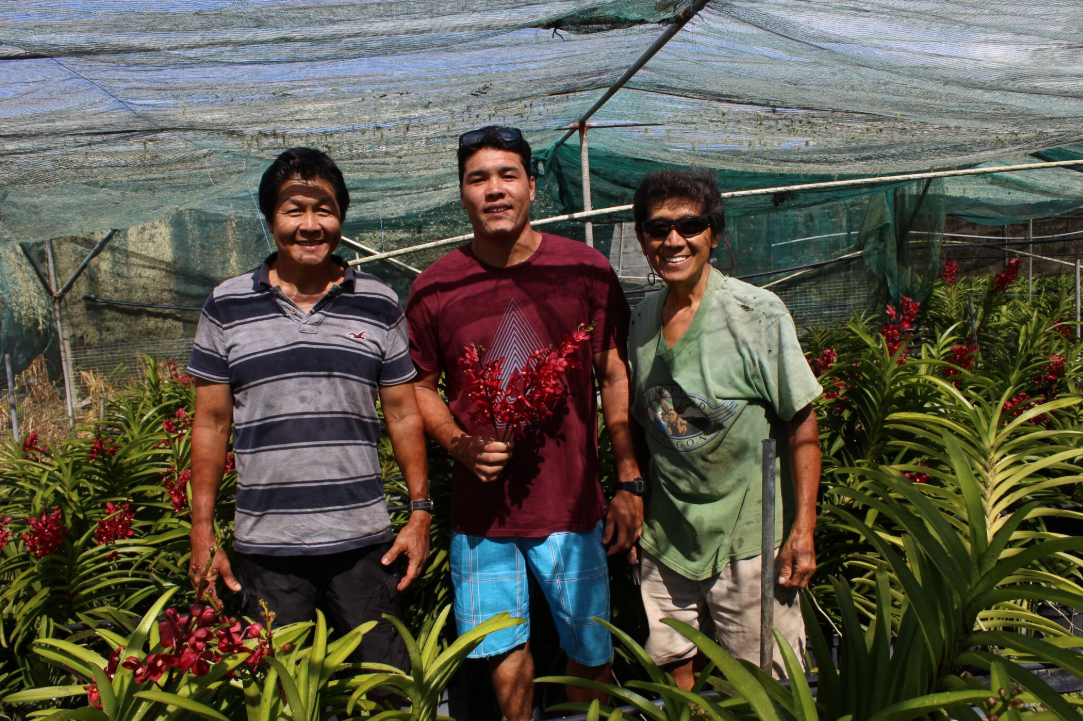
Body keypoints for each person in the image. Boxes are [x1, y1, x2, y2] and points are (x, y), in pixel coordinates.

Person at [405, 126, 644, 720]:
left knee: (589, 648)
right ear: (461, 193)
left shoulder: (584, 271)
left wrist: (629, 479)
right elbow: (418, 387)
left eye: (507, 175)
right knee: (500, 648)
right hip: (480, 516)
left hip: (570, 505)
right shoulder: (435, 287)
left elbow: (614, 374)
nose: (494, 190)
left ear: (532, 187)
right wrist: (458, 444)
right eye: (478, 178)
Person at [186, 147, 431, 674]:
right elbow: (210, 422)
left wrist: (420, 511)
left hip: (364, 543)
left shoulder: (378, 301)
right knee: (276, 690)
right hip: (267, 548)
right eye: (294, 210)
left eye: (324, 210)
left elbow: (404, 414)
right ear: (270, 219)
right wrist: (202, 531)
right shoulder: (226, 305)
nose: (310, 225)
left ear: (341, 217)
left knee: (386, 687)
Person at [627, 167, 822, 685]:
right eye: (656, 228)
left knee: (764, 683)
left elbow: (802, 426)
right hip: (667, 537)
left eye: (689, 226)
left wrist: (802, 530)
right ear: (643, 239)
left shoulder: (757, 315)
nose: (673, 240)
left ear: (713, 234)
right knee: (673, 667)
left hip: (750, 540)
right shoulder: (642, 319)